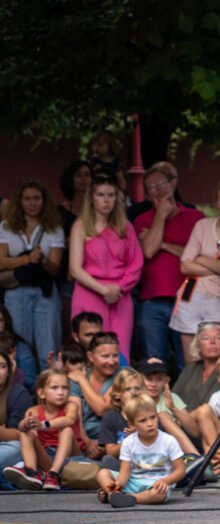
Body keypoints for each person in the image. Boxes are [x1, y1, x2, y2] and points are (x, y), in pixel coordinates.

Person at [134, 162, 204, 366]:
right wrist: (161, 216)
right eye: (152, 187)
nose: (159, 189)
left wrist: (163, 244)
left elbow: (196, 257)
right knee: (154, 362)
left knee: (189, 361)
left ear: (172, 184)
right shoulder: (142, 220)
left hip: (187, 297)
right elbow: (148, 251)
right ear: (147, 195)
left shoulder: (196, 217)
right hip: (152, 299)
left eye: (162, 183)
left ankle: (189, 398)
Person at [68, 179, 143, 359]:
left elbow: (136, 263)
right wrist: (103, 290)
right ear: (92, 199)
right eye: (101, 195)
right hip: (90, 291)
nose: (106, 200)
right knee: (91, 347)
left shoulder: (126, 226)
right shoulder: (80, 226)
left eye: (111, 195)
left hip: (120, 294)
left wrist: (120, 288)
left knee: (120, 347)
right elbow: (75, 269)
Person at [0, 178, 65, 378]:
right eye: (27, 199)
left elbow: (54, 268)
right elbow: (1, 262)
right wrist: (27, 259)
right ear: (19, 202)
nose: (32, 203)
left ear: (44, 201)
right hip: (16, 291)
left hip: (44, 291)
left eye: (37, 198)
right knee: (20, 345)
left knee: (48, 347)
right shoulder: (6, 226)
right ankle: (23, 391)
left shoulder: (54, 227)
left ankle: (51, 391)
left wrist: (42, 260)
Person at [175, 178, 220, 361]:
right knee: (190, 359)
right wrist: (219, 268)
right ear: (216, 203)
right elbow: (184, 265)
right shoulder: (202, 226)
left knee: (217, 356)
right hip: (192, 293)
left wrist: (202, 259)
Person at [95, 393, 186, 508]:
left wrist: (165, 481)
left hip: (156, 485)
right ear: (132, 424)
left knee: (159, 495)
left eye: (153, 417)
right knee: (102, 473)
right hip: (133, 482)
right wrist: (117, 484)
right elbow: (124, 474)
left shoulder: (169, 441)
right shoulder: (128, 442)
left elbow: (180, 471)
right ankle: (115, 494)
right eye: (143, 420)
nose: (150, 424)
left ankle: (128, 498)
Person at [2, 368, 74, 490]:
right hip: (46, 457)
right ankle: (31, 472)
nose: (61, 392)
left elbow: (69, 420)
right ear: (41, 393)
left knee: (67, 429)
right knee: (25, 433)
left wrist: (43, 425)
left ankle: (54, 474)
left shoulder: (70, 406)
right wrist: (26, 424)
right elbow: (21, 429)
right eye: (54, 388)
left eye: (65, 388)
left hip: (68, 459)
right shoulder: (33, 411)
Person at [69, 332, 122, 455]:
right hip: (81, 439)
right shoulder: (75, 379)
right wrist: (86, 442)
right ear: (91, 357)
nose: (111, 361)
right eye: (105, 356)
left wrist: (82, 381)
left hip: (114, 439)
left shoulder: (124, 374)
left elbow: (102, 409)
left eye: (115, 355)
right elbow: (74, 416)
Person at [173, 321, 220, 410]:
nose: (212, 342)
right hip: (181, 420)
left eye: (218, 338)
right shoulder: (191, 368)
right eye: (206, 338)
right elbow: (173, 397)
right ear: (198, 345)